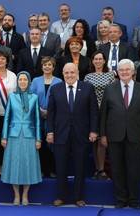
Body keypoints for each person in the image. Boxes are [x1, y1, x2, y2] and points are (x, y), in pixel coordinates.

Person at [46, 63, 98, 207]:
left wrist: (93, 130)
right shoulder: (56, 88)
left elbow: (93, 111)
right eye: (66, 73)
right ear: (63, 74)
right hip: (60, 134)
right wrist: (50, 132)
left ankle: (78, 197)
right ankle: (61, 196)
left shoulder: (88, 88)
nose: (69, 75)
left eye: (72, 72)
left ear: (77, 73)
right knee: (61, 166)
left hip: (81, 134)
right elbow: (51, 113)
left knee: (80, 166)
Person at [100, 59, 140, 210]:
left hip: (135, 134)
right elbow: (104, 113)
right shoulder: (110, 89)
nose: (124, 72)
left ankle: (133, 200)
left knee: (134, 169)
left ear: (133, 72)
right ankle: (121, 199)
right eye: (121, 70)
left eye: (127, 70)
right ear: (118, 73)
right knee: (117, 169)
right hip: (114, 135)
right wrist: (103, 135)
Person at [1, 71, 42, 206]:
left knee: (27, 165)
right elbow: (7, 117)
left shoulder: (34, 97)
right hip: (13, 134)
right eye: (20, 80)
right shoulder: (12, 96)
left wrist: (38, 139)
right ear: (17, 82)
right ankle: (16, 195)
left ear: (29, 81)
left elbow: (37, 119)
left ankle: (25, 195)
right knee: (14, 165)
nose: (22, 82)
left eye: (25, 80)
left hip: (29, 135)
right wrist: (4, 136)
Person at [84, 51, 115, 180]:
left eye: (100, 59)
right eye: (95, 59)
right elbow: (84, 94)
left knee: (103, 139)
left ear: (104, 61)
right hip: (92, 111)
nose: (97, 61)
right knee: (95, 140)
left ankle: (102, 169)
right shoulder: (88, 76)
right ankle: (97, 169)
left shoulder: (110, 75)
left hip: (106, 110)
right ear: (92, 61)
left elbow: (114, 93)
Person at [30, 56, 62, 178]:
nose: (47, 67)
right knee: (41, 143)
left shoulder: (59, 81)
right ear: (42, 67)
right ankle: (42, 169)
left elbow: (61, 99)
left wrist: (50, 111)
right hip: (38, 116)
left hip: (54, 118)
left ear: (53, 67)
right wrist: (39, 110)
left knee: (53, 144)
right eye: (45, 65)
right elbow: (31, 97)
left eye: (49, 64)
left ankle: (53, 169)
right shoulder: (36, 81)